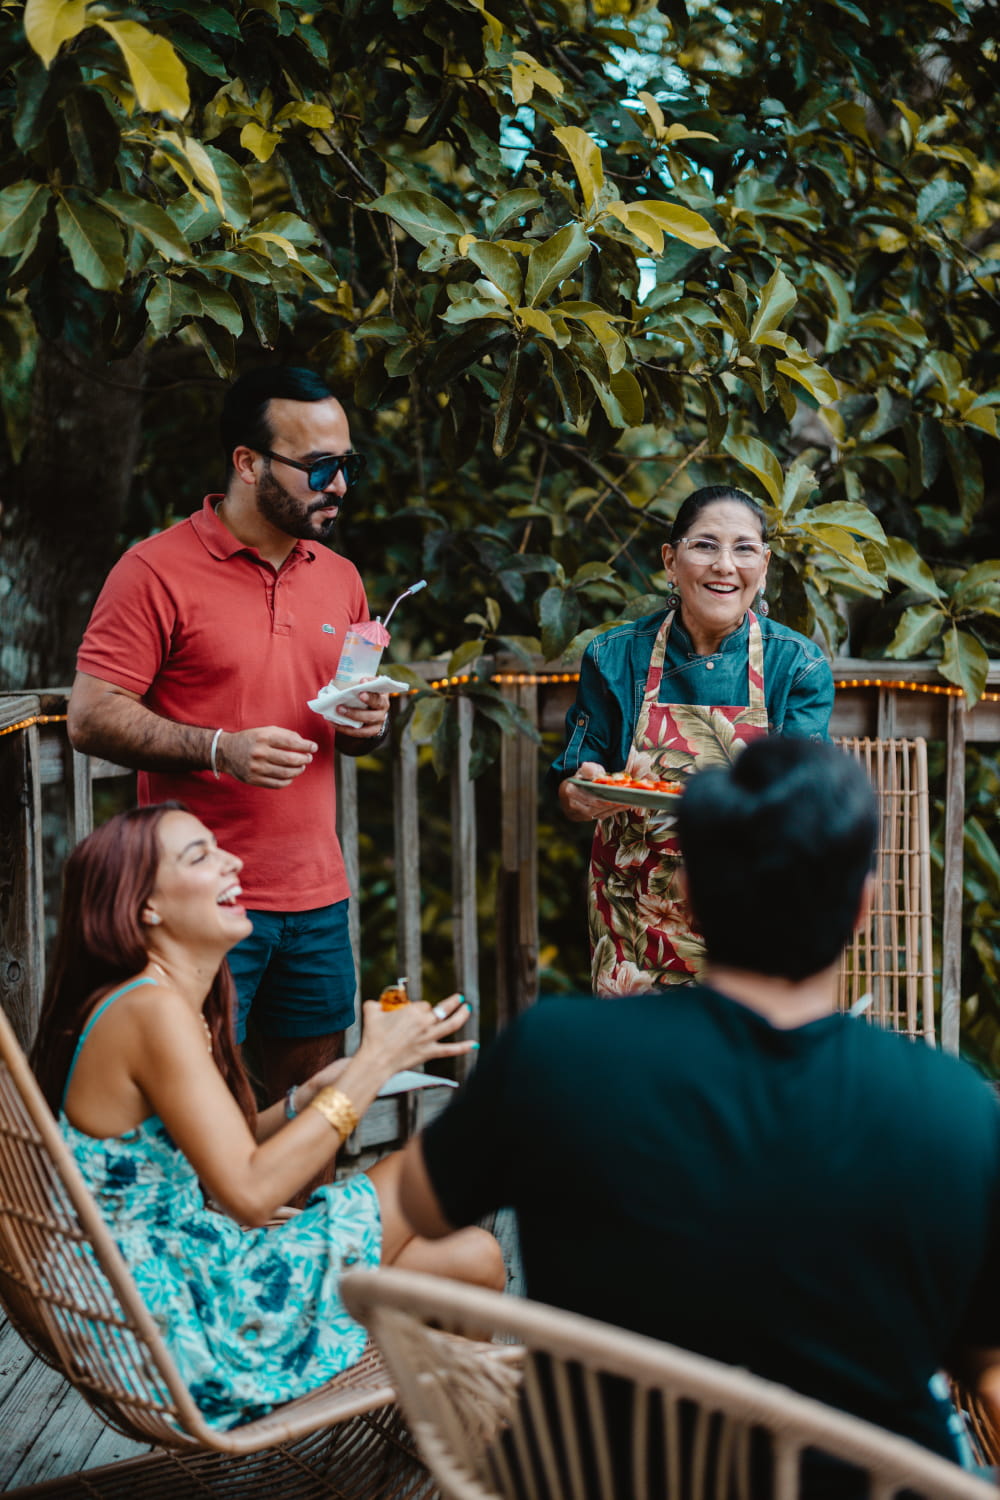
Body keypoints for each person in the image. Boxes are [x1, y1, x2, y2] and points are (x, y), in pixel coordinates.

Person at [398, 739, 1000, 1469]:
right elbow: (987, 1368)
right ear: (864, 908)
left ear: (688, 896)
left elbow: (413, 1209)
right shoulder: (957, 1113)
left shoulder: (553, 1054)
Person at [30, 803, 504, 1432]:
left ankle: (454, 1443)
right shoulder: (147, 1010)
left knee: (472, 1256)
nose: (233, 861)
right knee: (409, 1171)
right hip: (183, 1331)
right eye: (200, 855)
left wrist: (309, 1097)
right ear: (146, 907)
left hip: (191, 1289)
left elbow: (226, 1149)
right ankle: (475, 1445)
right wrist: (373, 1064)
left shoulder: (165, 1006)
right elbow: (250, 1194)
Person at [67, 367, 390, 1104]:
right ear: (247, 463)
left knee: (313, 1112)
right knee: (196, 1118)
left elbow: (349, 721)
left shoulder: (340, 576)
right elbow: (91, 713)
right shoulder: (153, 570)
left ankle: (303, 1226)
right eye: (318, 467)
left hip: (317, 896)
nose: (338, 485)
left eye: (347, 465)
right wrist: (220, 748)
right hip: (197, 902)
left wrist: (369, 723)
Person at [550, 483, 835, 996]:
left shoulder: (796, 665)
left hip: (753, 931)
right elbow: (574, 783)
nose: (725, 565)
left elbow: (806, 810)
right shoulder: (615, 656)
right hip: (632, 929)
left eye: (744, 548)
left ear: (764, 566)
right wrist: (582, 792)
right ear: (670, 561)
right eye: (705, 545)